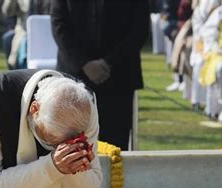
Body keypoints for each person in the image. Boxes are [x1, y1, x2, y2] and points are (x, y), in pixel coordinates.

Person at [50, 0, 149, 150]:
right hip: (74, 79)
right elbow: (59, 24)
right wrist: (83, 63)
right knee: (72, 147)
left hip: (118, 78)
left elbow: (139, 29)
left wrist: (108, 62)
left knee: (115, 147)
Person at [189, 0, 221, 110]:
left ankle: (212, 105)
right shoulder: (200, 5)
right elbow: (197, 22)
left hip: (215, 42)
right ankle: (196, 100)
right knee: (198, 66)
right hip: (201, 42)